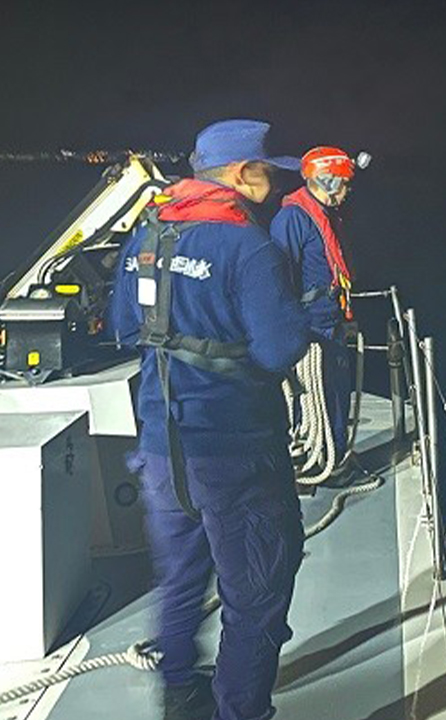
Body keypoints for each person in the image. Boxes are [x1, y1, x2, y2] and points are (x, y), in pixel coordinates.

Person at [110, 119, 311, 720]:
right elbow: (280, 350)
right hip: (235, 451)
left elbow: (124, 328)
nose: (275, 185)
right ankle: (240, 710)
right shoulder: (249, 246)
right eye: (269, 172)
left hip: (160, 445)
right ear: (243, 174)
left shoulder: (146, 234)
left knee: (179, 578)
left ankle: (178, 692)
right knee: (255, 592)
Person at [269, 146, 363, 463]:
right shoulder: (292, 219)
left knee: (336, 395)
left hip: (330, 321)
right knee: (317, 399)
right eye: (345, 183)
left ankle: (334, 457)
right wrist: (292, 329)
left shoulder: (325, 216)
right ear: (328, 181)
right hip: (312, 328)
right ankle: (321, 462)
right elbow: (282, 277)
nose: (349, 190)